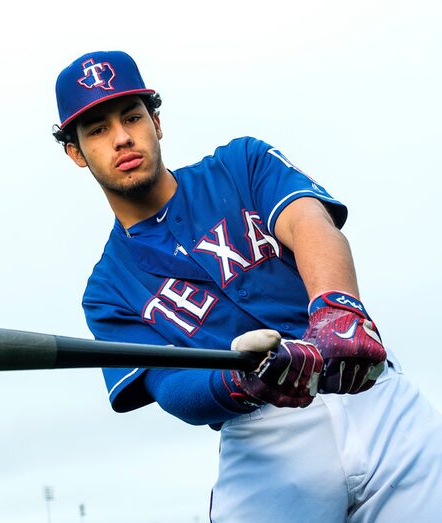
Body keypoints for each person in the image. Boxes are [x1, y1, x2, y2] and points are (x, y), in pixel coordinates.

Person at [52, 50, 442, 522]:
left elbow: (309, 222)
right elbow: (170, 384)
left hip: (367, 391)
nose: (121, 137)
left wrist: (336, 309)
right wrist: (239, 380)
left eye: (132, 116)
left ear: (157, 122)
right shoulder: (108, 289)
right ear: (75, 151)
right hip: (264, 436)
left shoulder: (240, 164)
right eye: (96, 129)